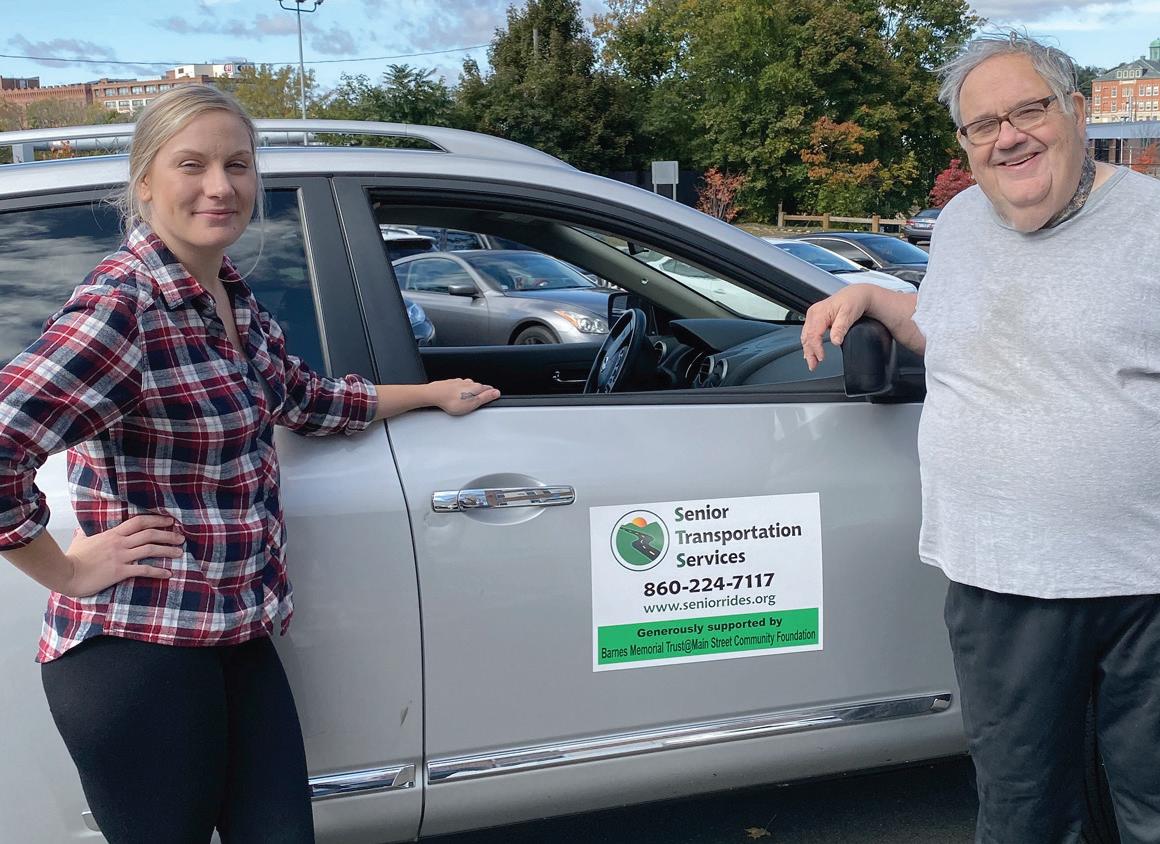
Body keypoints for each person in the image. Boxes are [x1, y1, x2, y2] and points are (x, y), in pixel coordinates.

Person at [0, 84, 499, 844]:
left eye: (237, 164)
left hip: (232, 631)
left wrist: (428, 392)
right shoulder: (125, 308)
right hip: (140, 649)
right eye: (191, 165)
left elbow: (300, 396)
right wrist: (65, 571)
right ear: (145, 182)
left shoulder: (225, 295)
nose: (220, 186)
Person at [801, 32, 1160, 844]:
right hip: (1002, 579)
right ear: (965, 142)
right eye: (983, 125)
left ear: (1076, 111)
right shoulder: (962, 220)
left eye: (1029, 110)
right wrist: (872, 297)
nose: (1009, 137)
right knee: (1023, 810)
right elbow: (950, 329)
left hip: (1146, 582)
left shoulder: (1150, 222)